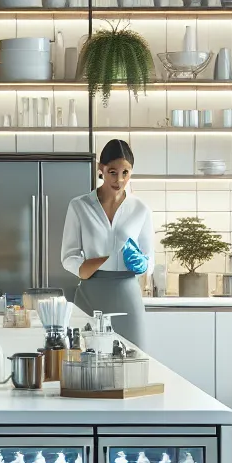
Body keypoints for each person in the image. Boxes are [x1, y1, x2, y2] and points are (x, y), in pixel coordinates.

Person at [58, 139, 154, 347]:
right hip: (90, 294)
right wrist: (95, 263)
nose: (119, 179)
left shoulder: (141, 209)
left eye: (125, 172)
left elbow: (149, 257)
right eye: (112, 172)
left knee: (133, 357)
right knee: (87, 357)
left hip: (128, 296)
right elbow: (68, 256)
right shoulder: (79, 206)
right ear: (101, 169)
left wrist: (143, 264)